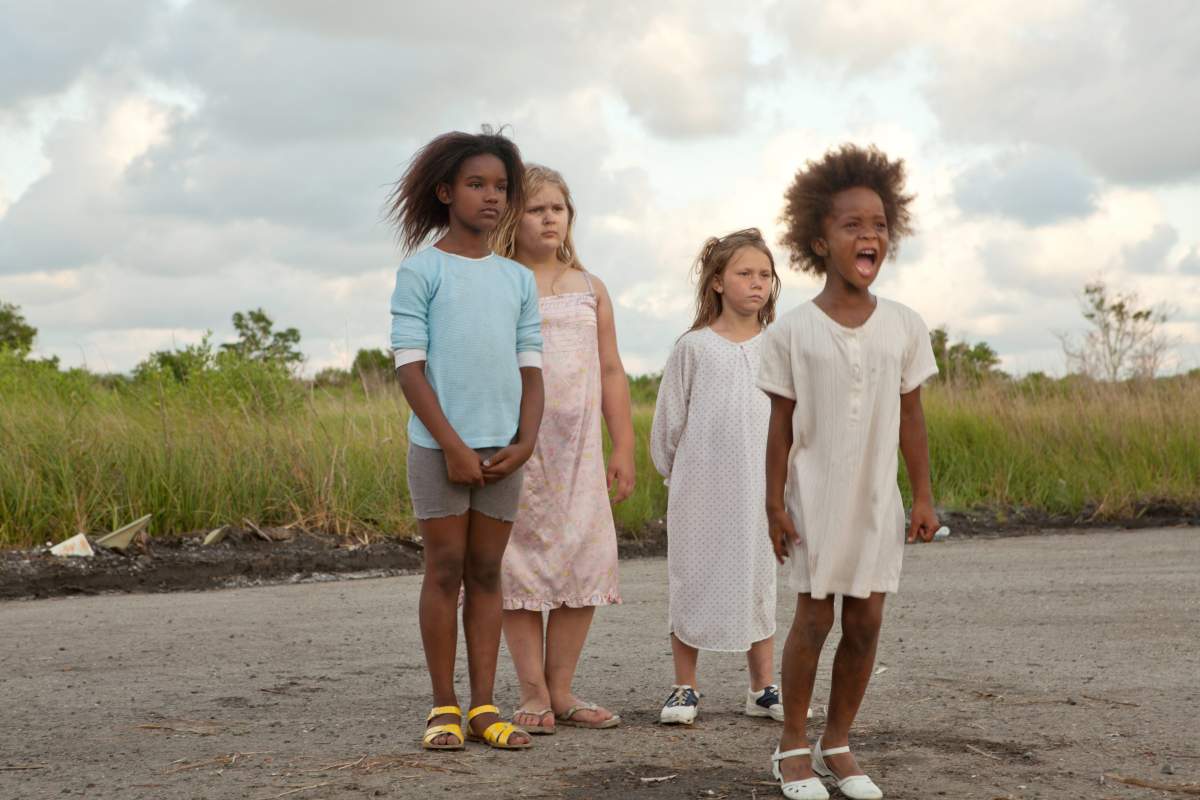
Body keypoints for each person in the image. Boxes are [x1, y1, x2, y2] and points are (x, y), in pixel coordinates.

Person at [759, 144, 939, 800]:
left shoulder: (904, 326)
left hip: (875, 498)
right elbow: (778, 426)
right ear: (819, 240)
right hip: (814, 495)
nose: (870, 236)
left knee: (865, 621)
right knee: (814, 619)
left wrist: (921, 495)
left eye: (880, 225)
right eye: (852, 225)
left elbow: (911, 416)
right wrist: (772, 503)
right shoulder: (792, 332)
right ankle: (792, 747)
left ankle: (838, 741)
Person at [387, 129, 543, 752]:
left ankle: (484, 705)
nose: (491, 197)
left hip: (504, 450)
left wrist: (525, 441)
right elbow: (408, 366)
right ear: (446, 191)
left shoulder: (517, 279)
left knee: (486, 572)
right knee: (445, 570)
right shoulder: (421, 270)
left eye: (501, 187)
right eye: (477, 184)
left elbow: (531, 367)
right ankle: (443, 706)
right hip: (437, 449)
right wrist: (450, 444)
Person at [491, 165, 636, 734]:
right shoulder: (502, 283)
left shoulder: (589, 287)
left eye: (558, 208)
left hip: (580, 452)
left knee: (585, 556)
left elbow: (611, 369)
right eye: (536, 208)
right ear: (512, 218)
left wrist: (622, 445)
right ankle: (531, 693)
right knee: (518, 565)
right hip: (519, 447)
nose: (550, 217)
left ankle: (562, 688)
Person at [650, 228, 785, 726]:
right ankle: (685, 687)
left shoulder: (779, 347)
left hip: (761, 492)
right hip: (700, 489)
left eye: (765, 275)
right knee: (693, 576)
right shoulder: (694, 348)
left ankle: (762, 688)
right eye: (744, 273)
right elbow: (668, 424)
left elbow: (793, 422)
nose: (756, 283)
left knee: (758, 578)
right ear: (717, 283)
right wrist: (680, 478)